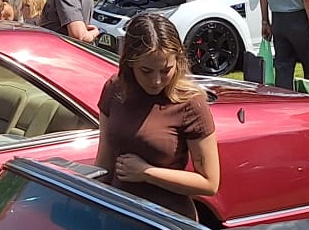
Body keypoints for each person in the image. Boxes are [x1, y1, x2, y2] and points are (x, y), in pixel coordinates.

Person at [95, 12, 221, 218]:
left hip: (167, 224)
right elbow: (103, 163)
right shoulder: (115, 89)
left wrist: (146, 172)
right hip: (118, 218)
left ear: (178, 61)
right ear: (130, 62)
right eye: (146, 71)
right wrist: (87, 226)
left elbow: (209, 183)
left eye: (165, 70)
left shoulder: (191, 102)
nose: (156, 81)